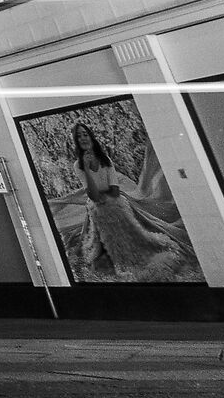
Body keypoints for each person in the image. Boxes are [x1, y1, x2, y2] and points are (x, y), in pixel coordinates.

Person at [68, 121, 198, 282]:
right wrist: (87, 168)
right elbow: (94, 196)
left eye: (85, 134)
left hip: (115, 201)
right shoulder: (78, 165)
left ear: (91, 137)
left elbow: (114, 190)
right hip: (98, 207)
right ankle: (117, 255)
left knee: (117, 208)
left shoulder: (105, 159)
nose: (82, 138)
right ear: (76, 141)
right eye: (78, 136)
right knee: (100, 210)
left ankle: (140, 248)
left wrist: (104, 192)